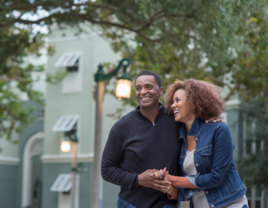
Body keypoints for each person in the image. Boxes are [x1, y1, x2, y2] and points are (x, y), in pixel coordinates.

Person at [101, 71, 222, 208]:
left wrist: (211, 119)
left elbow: (195, 120)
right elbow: (106, 169)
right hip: (131, 203)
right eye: (138, 88)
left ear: (160, 91)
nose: (143, 92)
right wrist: (139, 179)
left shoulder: (176, 119)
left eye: (148, 87)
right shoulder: (121, 127)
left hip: (167, 203)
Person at [153, 79, 248, 208]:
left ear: (193, 103)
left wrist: (172, 179)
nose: (172, 105)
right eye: (172, 102)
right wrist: (167, 186)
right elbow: (189, 187)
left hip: (228, 204)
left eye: (178, 100)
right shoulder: (180, 139)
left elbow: (216, 178)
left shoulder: (218, 130)